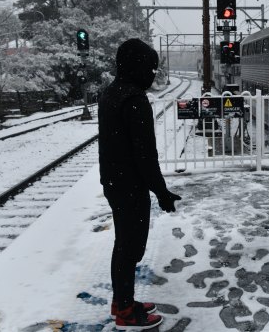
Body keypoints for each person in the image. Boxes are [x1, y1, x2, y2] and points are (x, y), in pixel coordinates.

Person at [98, 38, 181, 330]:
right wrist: (162, 193)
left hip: (114, 180)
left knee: (123, 244)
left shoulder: (111, 93)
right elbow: (145, 155)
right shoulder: (134, 99)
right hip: (130, 184)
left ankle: (122, 301)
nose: (151, 74)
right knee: (130, 248)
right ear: (135, 66)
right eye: (149, 67)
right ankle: (126, 313)